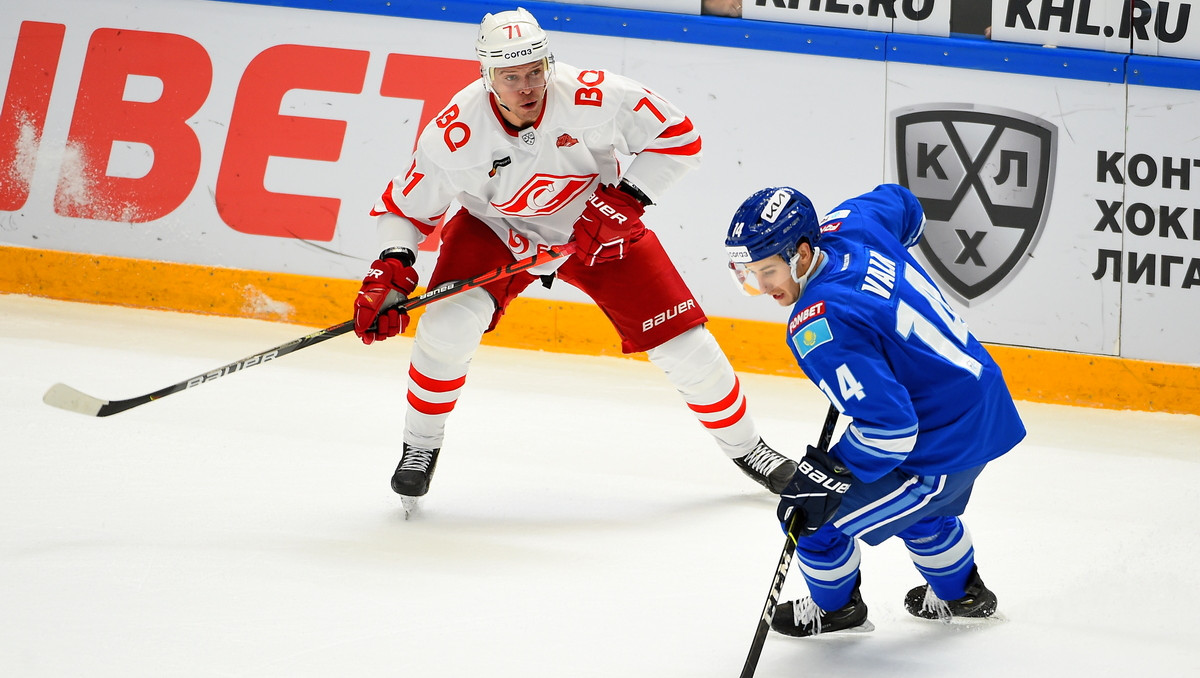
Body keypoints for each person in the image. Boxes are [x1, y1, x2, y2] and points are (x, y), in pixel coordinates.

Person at [353, 7, 797, 512]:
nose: (527, 86)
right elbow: (403, 211)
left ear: (549, 62)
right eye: (511, 76)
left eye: (535, 71)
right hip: (497, 229)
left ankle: (750, 449)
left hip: (598, 224)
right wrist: (390, 266)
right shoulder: (454, 132)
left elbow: (681, 137)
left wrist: (628, 198)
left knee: (685, 345)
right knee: (446, 329)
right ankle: (420, 446)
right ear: (486, 75)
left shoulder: (596, 95)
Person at [723, 183, 1026, 636]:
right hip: (979, 403)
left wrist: (829, 472)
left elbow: (891, 431)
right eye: (748, 273)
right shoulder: (852, 224)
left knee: (809, 516)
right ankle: (964, 596)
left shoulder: (820, 321)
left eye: (768, 271)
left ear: (803, 254)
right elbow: (904, 204)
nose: (762, 286)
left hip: (940, 442)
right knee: (919, 511)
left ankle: (836, 609)